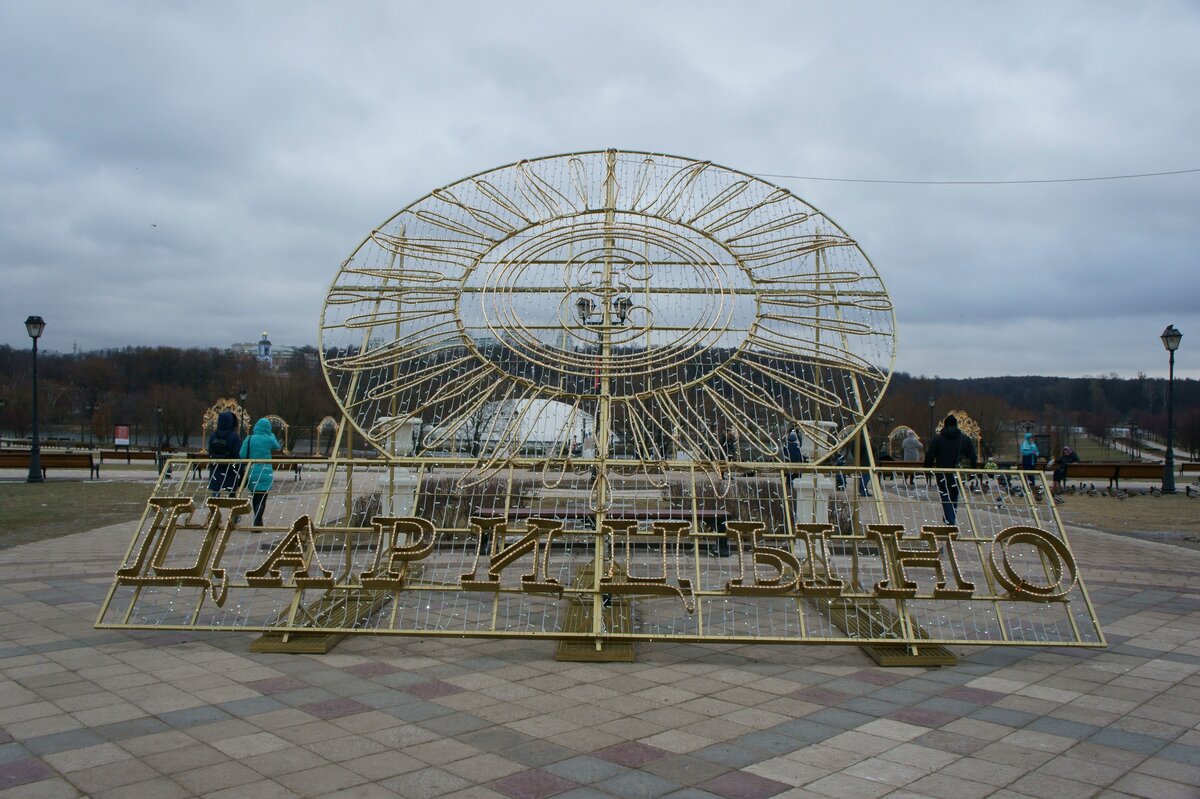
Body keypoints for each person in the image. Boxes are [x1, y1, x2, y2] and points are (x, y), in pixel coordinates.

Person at [924, 415, 978, 526]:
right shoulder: (964, 439)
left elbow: (929, 456)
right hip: (958, 472)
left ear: (945, 424)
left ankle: (950, 520)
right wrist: (972, 472)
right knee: (954, 494)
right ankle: (950, 517)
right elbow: (973, 456)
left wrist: (927, 469)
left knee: (944, 495)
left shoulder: (938, 439)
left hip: (942, 472)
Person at [240, 417, 282, 527]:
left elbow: (242, 454)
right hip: (266, 471)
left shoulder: (249, 439)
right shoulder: (269, 439)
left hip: (252, 471)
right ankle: (258, 521)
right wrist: (271, 435)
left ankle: (256, 518)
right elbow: (277, 447)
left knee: (255, 497)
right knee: (263, 498)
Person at [206, 411, 242, 496]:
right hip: (230, 469)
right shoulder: (234, 436)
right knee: (231, 492)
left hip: (216, 467)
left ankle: (214, 508)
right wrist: (239, 469)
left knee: (215, 492)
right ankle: (232, 507)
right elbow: (238, 454)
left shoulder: (214, 435)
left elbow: (210, 451)